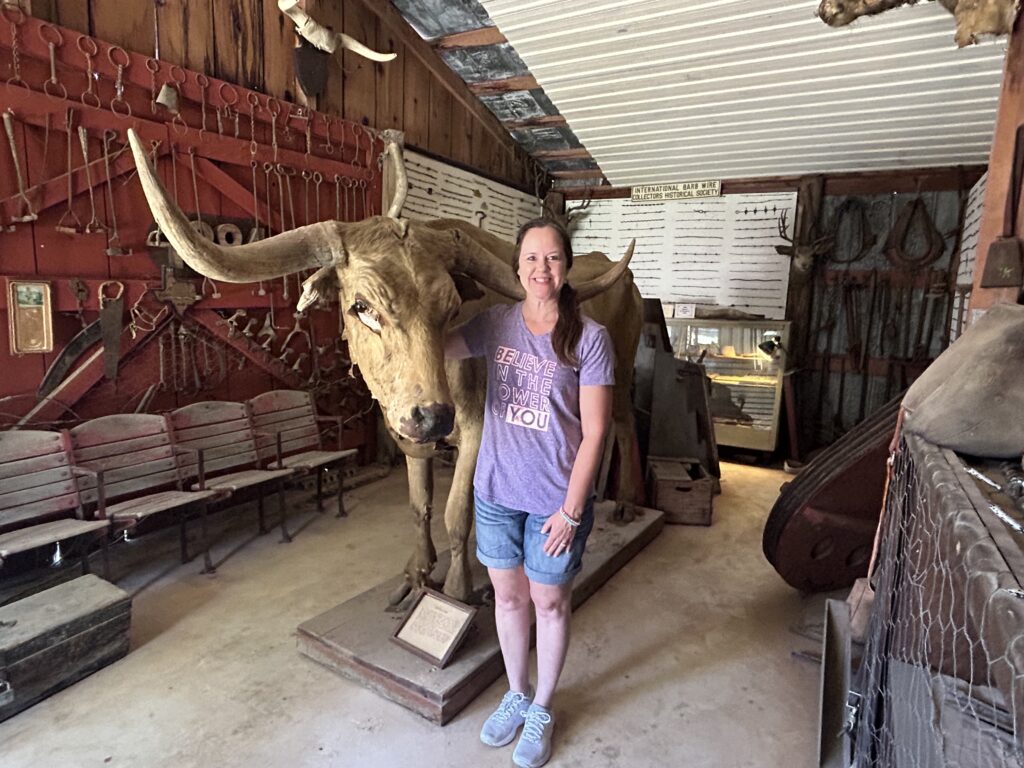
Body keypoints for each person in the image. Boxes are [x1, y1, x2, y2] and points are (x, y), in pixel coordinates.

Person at [445, 218, 615, 768]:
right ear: (516, 267)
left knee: (550, 601)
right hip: (495, 491)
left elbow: (595, 432)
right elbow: (436, 343)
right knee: (510, 598)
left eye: (553, 258)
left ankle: (542, 706)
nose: (542, 269)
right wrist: (381, 316)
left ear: (566, 266)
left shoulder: (590, 338)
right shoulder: (494, 323)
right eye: (532, 258)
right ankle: (516, 692)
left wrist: (572, 510)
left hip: (554, 502)